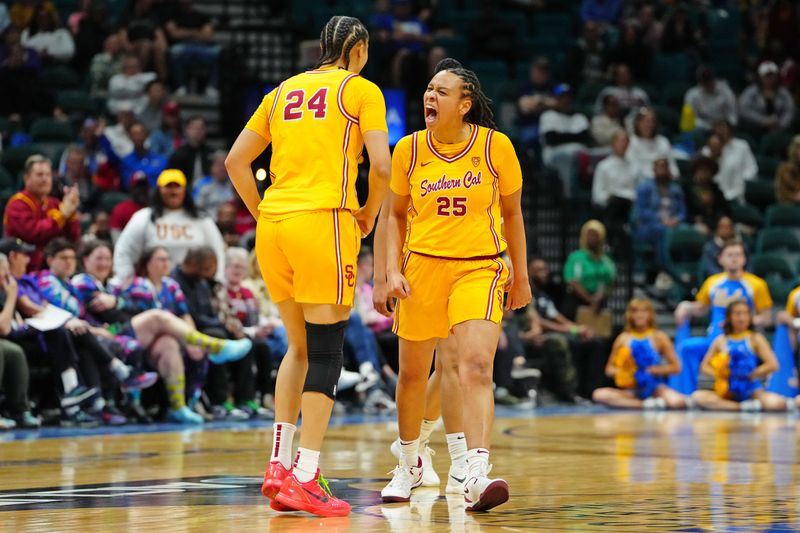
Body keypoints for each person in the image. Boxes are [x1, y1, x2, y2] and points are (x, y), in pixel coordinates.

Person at [225, 15, 391, 516]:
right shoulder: (361, 90)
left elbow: (236, 161)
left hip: (274, 226)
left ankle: (279, 465)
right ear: (357, 49)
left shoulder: (281, 92)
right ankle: (307, 473)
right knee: (326, 351)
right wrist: (369, 210)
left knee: (297, 347)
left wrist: (263, 213)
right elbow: (382, 166)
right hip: (324, 221)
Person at [381, 58, 530, 510]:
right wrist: (388, 271)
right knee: (412, 375)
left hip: (479, 267)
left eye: (441, 91)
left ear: (465, 105)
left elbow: (513, 214)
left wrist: (520, 275)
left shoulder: (494, 147)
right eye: (429, 89)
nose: (430, 96)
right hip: (422, 268)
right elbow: (394, 216)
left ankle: (476, 473)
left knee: (475, 367)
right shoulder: (408, 149)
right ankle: (409, 464)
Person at [72, 240, 253, 424]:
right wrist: (117, 303)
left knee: (168, 344)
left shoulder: (112, 287)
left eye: (108, 258)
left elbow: (183, 314)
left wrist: (190, 340)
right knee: (158, 317)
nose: (104, 263)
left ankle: (178, 407)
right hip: (109, 336)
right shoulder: (89, 282)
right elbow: (120, 313)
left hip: (137, 335)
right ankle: (214, 346)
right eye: (99, 258)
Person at [0, 248, 97, 427]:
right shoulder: (14, 288)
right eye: (2, 270)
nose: (6, 274)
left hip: (23, 333)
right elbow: (4, 327)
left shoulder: (14, 286)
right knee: (16, 349)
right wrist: (12, 296)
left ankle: (76, 395)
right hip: (9, 337)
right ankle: (72, 395)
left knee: (66, 332)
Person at [674, 240, 772, 393]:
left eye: (738, 255)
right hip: (713, 341)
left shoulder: (757, 285)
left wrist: (739, 322)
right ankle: (686, 394)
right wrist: (685, 306)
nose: (734, 258)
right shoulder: (712, 282)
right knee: (686, 348)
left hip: (743, 343)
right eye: (730, 255)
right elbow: (701, 309)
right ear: (720, 259)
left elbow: (766, 318)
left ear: (744, 259)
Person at [113, 168, 226, 283]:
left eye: (177, 187)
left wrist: (218, 280)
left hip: (195, 289)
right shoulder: (144, 217)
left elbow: (218, 251)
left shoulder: (202, 219)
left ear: (185, 190)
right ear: (158, 190)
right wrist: (126, 282)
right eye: (168, 187)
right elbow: (124, 251)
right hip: (155, 289)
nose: (173, 192)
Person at [693, 300, 792, 412]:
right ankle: (742, 407)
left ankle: (741, 405)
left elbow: (773, 365)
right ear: (729, 317)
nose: (742, 318)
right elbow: (704, 366)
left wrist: (752, 374)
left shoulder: (756, 338)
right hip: (727, 390)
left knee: (776, 403)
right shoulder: (721, 340)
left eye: (745, 313)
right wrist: (722, 375)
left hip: (751, 389)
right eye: (737, 313)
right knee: (698, 397)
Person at [592, 298, 686, 409]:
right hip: (630, 390)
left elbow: (676, 367)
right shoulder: (623, 338)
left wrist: (654, 370)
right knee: (599, 395)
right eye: (635, 311)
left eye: (644, 311)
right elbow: (609, 369)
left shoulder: (659, 336)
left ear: (650, 314)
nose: (639, 315)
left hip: (655, 388)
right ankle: (645, 405)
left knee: (678, 402)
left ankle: (650, 402)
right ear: (630, 315)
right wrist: (625, 372)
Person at [3, 155, 80, 271]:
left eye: (48, 175)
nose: (45, 179)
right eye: (39, 175)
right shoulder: (17, 204)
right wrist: (63, 215)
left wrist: (72, 212)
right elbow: (34, 233)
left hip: (52, 270)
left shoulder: (55, 203)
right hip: (24, 270)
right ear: (27, 178)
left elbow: (72, 239)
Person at [631, 158, 687, 268]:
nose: (661, 171)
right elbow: (641, 211)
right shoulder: (645, 187)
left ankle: (685, 268)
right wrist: (660, 219)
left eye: (664, 167)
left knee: (690, 231)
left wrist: (677, 219)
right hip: (649, 225)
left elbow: (682, 211)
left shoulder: (676, 189)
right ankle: (664, 268)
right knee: (663, 231)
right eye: (659, 168)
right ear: (654, 170)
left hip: (673, 223)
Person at [539, 83, 591, 198]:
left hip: (579, 154)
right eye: (562, 97)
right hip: (555, 155)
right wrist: (574, 136)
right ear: (556, 99)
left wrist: (562, 136)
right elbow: (552, 139)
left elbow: (585, 137)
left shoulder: (579, 117)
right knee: (567, 157)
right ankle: (568, 195)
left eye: (568, 97)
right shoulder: (548, 116)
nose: (565, 100)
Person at [164, 0, 221, 99]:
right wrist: (196, 32)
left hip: (201, 47)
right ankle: (180, 86)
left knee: (219, 53)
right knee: (174, 52)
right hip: (182, 46)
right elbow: (174, 34)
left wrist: (184, 32)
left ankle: (212, 86)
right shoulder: (172, 16)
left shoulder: (202, 16)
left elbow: (208, 36)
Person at [562, 220, 615, 321]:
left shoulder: (606, 260)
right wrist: (589, 299)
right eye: (589, 235)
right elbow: (572, 281)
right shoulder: (576, 257)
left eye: (595, 235)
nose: (592, 238)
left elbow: (610, 281)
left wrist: (598, 298)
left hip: (599, 304)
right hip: (576, 302)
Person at [591, 129, 637, 236]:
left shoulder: (634, 166)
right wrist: (609, 197)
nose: (623, 145)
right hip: (611, 206)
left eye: (626, 142)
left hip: (630, 204)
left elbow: (637, 190)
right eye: (620, 141)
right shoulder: (603, 166)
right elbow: (597, 195)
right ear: (613, 143)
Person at [700, 120, 758, 203]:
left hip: (735, 195)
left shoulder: (742, 146)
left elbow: (752, 169)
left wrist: (742, 179)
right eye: (718, 129)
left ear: (729, 130)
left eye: (723, 128)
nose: (721, 132)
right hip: (712, 197)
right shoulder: (707, 151)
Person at [738, 61, 795, 135]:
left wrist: (780, 124)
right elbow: (744, 110)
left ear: (776, 76)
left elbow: (790, 110)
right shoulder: (750, 92)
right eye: (766, 76)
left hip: (780, 128)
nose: (770, 79)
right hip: (755, 129)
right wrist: (762, 121)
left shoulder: (783, 93)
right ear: (760, 76)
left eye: (772, 75)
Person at [626, 107, 679, 181]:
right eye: (646, 121)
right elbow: (632, 169)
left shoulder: (663, 141)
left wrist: (673, 176)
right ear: (638, 123)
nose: (649, 125)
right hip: (642, 183)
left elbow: (673, 167)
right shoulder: (632, 142)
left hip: (664, 181)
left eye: (652, 121)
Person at [683, 155, 728, 236]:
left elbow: (725, 210)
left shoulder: (716, 190)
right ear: (696, 171)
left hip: (714, 222)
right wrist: (694, 220)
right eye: (702, 170)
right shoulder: (687, 188)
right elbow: (684, 210)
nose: (705, 173)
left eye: (708, 171)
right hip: (695, 223)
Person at [683, 66, 738, 131]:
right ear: (700, 81)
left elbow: (733, 115)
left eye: (710, 79)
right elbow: (690, 119)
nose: (709, 83)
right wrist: (709, 126)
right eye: (705, 80)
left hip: (725, 128)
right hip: (703, 129)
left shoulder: (726, 91)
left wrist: (725, 126)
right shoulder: (692, 94)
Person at [119, 122, 167, 190]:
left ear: (146, 135)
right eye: (134, 134)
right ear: (130, 137)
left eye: (140, 133)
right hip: (137, 196)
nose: (138, 137)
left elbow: (163, 182)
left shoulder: (160, 159)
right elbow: (127, 184)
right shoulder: (126, 161)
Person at [167, 116, 210, 185]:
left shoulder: (210, 154)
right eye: (194, 128)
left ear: (206, 131)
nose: (198, 131)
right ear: (186, 130)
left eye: (201, 128)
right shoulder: (177, 156)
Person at [110, 171, 149, 242]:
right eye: (138, 187)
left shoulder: (155, 208)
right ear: (131, 188)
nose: (141, 190)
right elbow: (116, 237)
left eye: (144, 186)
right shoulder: (120, 209)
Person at [193, 150, 234, 217]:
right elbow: (196, 208)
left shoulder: (234, 184)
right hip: (207, 221)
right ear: (211, 167)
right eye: (218, 165)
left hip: (230, 223)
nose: (222, 168)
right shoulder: (202, 184)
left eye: (224, 165)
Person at [775, 135, 800, 204]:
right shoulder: (785, 169)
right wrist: (795, 197)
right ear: (794, 151)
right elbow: (781, 195)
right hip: (791, 207)